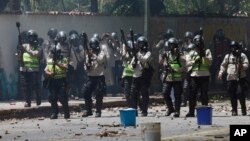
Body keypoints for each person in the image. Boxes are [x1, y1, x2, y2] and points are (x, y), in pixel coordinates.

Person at [218, 41, 249, 116]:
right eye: (232, 47)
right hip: (231, 79)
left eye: (234, 47)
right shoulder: (228, 56)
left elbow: (246, 64)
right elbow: (223, 65)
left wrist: (242, 66)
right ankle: (234, 110)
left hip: (240, 78)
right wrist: (220, 73)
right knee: (232, 95)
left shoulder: (242, 55)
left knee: (240, 94)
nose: (233, 49)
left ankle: (243, 109)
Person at [186, 34, 213, 117]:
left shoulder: (207, 51)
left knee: (204, 94)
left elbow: (210, 62)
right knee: (192, 94)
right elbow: (187, 63)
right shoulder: (192, 52)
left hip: (205, 76)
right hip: (194, 76)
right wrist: (195, 61)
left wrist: (204, 56)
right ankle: (191, 112)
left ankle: (204, 112)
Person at [159, 37, 186, 117]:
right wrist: (162, 56)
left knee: (177, 95)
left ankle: (177, 111)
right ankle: (170, 108)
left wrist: (174, 68)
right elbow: (160, 63)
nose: (171, 47)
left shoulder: (180, 54)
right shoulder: (167, 54)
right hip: (168, 77)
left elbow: (184, 67)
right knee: (165, 93)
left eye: (172, 45)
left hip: (177, 78)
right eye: (169, 45)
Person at [81, 37, 107, 117]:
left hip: (99, 76)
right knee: (85, 92)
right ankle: (88, 110)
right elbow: (85, 66)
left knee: (99, 94)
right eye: (91, 44)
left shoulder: (101, 52)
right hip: (91, 77)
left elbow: (100, 60)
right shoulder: (88, 54)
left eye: (94, 44)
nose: (93, 46)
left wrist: (93, 55)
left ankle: (98, 111)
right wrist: (87, 66)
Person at [44, 45, 70, 119]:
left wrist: (57, 64)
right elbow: (45, 70)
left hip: (61, 81)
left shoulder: (63, 59)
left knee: (62, 97)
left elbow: (65, 68)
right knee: (52, 98)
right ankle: (55, 113)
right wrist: (50, 73)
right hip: (53, 81)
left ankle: (66, 113)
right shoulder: (49, 61)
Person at [130, 36, 152, 117]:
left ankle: (144, 111)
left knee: (144, 94)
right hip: (135, 76)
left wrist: (137, 54)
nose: (141, 45)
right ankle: (134, 111)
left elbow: (144, 60)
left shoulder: (148, 53)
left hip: (144, 76)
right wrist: (133, 63)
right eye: (139, 43)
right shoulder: (136, 54)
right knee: (133, 95)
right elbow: (131, 66)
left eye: (142, 43)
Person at [20, 30, 42, 107]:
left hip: (34, 70)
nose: (32, 39)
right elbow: (19, 54)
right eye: (30, 37)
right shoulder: (24, 45)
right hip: (24, 70)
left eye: (33, 37)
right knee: (26, 86)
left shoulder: (38, 47)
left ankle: (38, 97)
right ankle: (27, 101)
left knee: (35, 86)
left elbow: (34, 54)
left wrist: (25, 49)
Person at [181, 31, 194, 107]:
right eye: (187, 38)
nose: (188, 39)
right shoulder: (183, 46)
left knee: (193, 87)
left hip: (193, 68)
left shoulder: (194, 46)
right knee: (185, 87)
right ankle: (184, 101)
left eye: (189, 38)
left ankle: (192, 102)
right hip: (186, 68)